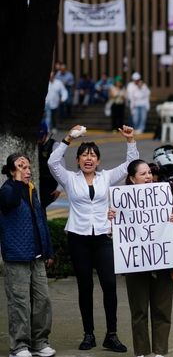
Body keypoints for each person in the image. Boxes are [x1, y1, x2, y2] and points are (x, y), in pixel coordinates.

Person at [47, 124, 137, 352]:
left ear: (98, 161)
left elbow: (129, 166)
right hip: (78, 238)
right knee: (85, 287)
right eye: (84, 155)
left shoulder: (106, 177)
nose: (89, 159)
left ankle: (112, 335)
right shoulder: (69, 179)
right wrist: (68, 138)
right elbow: (52, 162)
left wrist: (130, 141)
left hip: (103, 238)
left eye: (93, 155)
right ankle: (88, 334)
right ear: (77, 161)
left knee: (109, 285)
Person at [111, 159, 173, 357]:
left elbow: (170, 226)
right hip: (136, 263)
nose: (148, 177)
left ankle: (159, 352)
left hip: (162, 261)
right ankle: (141, 352)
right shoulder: (120, 204)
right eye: (143, 174)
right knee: (139, 311)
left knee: (162, 309)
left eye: (149, 172)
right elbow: (115, 234)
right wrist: (112, 220)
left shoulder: (163, 196)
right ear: (132, 179)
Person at [0, 153, 56, 357]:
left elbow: (41, 220)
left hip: (37, 255)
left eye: (28, 166)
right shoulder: (7, 190)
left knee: (43, 301)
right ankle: (19, 346)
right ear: (12, 171)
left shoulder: (32, 190)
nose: (27, 170)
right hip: (17, 257)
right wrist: (15, 181)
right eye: (21, 166)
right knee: (20, 303)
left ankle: (40, 342)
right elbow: (10, 202)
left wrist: (48, 250)